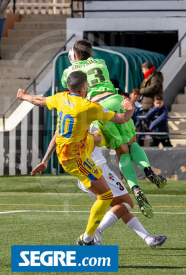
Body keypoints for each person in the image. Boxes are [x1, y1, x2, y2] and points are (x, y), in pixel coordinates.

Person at [17, 70, 134, 245]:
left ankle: (110, 151)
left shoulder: (61, 97)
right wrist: (130, 107)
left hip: (72, 145)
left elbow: (40, 100)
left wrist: (24, 96)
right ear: (85, 86)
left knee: (98, 136)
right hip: (75, 158)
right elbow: (121, 118)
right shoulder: (88, 107)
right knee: (106, 196)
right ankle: (87, 238)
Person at [62, 40, 167, 219]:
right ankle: (148, 170)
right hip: (115, 98)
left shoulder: (69, 70)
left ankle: (135, 188)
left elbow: (70, 84)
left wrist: (73, 62)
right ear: (91, 52)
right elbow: (91, 61)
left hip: (99, 106)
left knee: (121, 149)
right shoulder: (100, 62)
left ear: (75, 55)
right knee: (132, 142)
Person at [32, 124, 168, 248]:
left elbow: (56, 138)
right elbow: (104, 139)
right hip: (97, 170)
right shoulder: (91, 116)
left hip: (84, 174)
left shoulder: (66, 119)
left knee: (119, 207)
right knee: (127, 203)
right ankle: (93, 233)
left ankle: (148, 238)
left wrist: (44, 161)